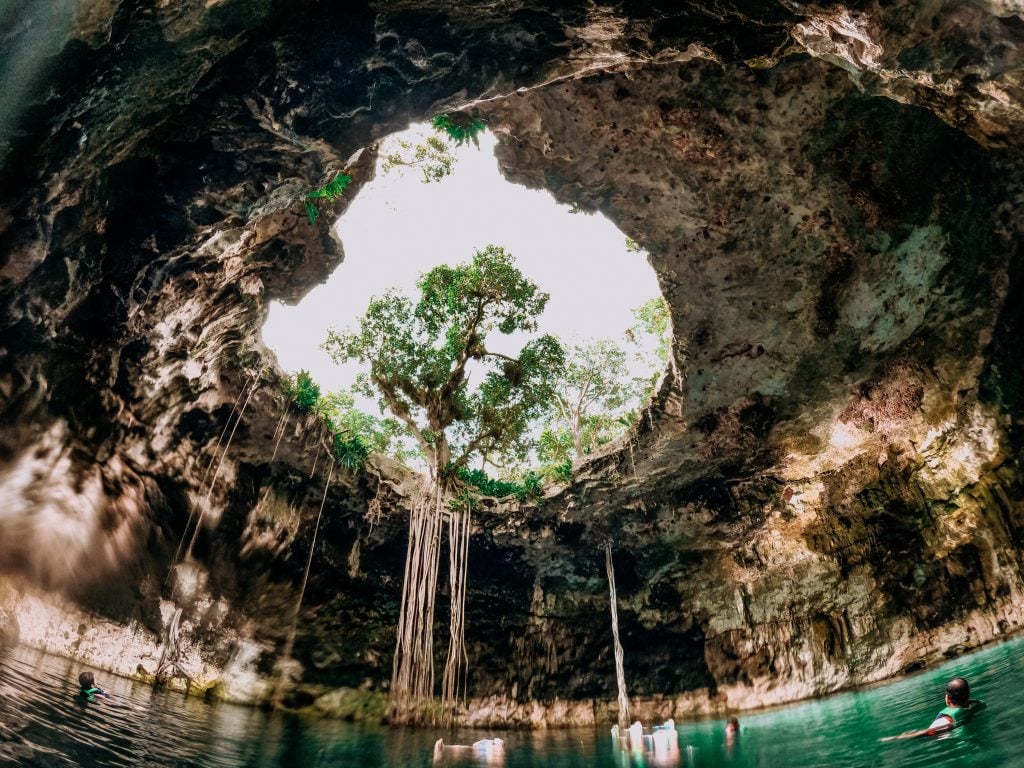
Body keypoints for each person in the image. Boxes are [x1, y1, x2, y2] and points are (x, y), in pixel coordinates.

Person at [882, 677, 985, 740]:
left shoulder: (944, 721)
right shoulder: (979, 705)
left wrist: (897, 737)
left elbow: (927, 733)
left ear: (947, 698)